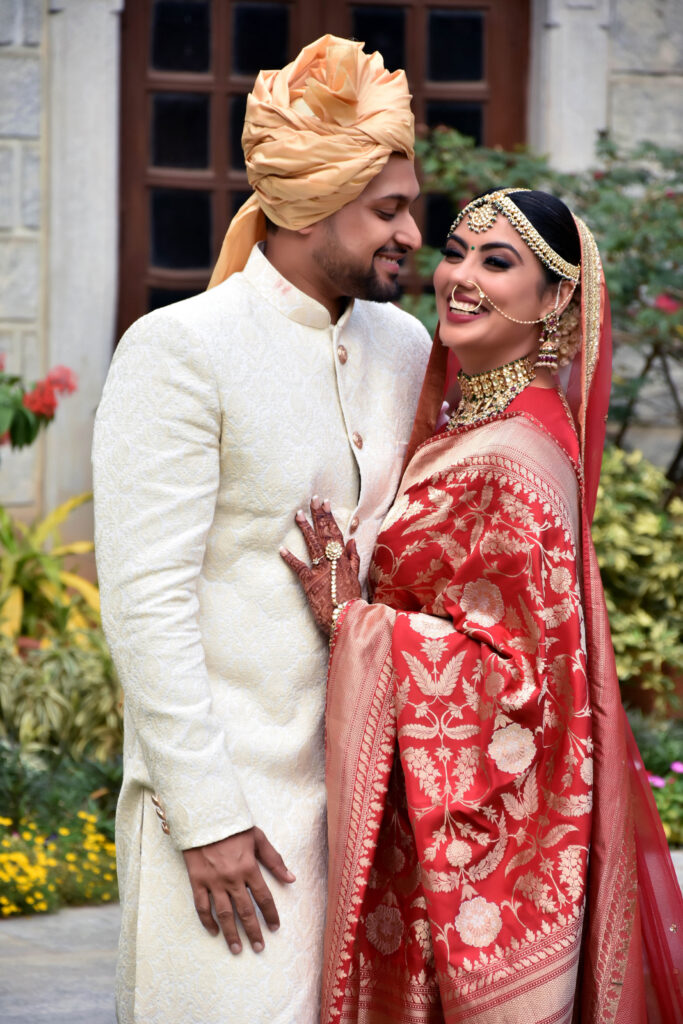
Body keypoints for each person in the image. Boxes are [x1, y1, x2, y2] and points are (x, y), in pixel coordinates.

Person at [92, 35, 431, 1024]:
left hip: (368, 811)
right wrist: (206, 818)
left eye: (409, 205)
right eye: (388, 210)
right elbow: (144, 603)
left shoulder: (401, 346)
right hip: (234, 826)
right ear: (309, 204)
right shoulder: (181, 350)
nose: (412, 232)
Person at [283, 188, 683, 1022]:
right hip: (417, 819)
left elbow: (523, 684)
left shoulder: (518, 452)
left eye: (496, 263)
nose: (459, 277)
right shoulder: (470, 415)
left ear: (558, 298)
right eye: (456, 252)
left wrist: (350, 620)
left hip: (461, 851)